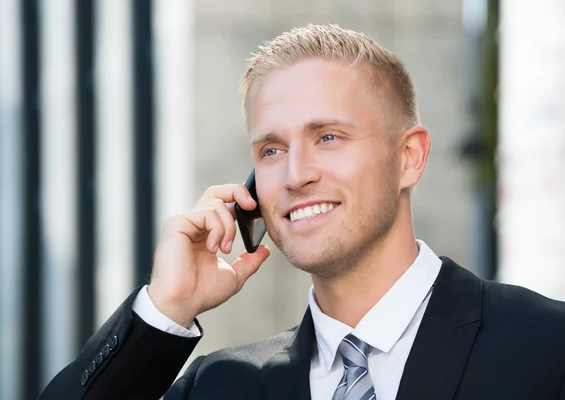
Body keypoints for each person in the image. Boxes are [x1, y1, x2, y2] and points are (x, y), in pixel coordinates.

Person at [39, 24, 565, 400]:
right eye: (271, 150)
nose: (295, 174)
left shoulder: (547, 347)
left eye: (328, 137)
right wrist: (166, 308)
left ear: (409, 157)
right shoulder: (219, 385)